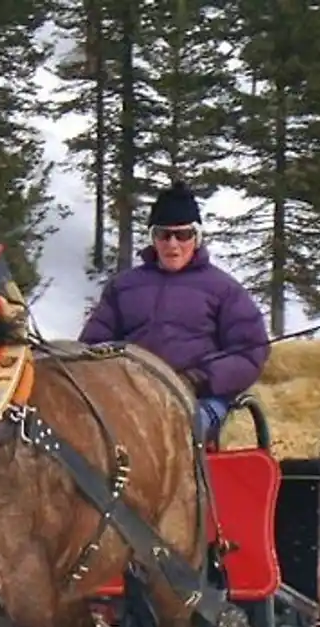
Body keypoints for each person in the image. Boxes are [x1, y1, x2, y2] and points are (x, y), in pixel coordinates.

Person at [78, 181, 272, 442]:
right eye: (163, 234)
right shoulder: (123, 287)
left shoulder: (224, 289)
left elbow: (251, 351)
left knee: (169, 432)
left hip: (200, 401)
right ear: (153, 238)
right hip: (131, 394)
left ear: (197, 237)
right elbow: (91, 346)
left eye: (182, 235)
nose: (173, 244)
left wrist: (199, 379)